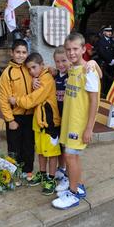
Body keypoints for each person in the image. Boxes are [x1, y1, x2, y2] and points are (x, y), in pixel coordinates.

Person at [52, 33, 100, 209]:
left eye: (75, 49)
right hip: (70, 121)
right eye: (68, 49)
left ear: (83, 49)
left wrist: (89, 128)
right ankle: (78, 186)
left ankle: (72, 194)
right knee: (73, 157)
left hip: (79, 124)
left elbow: (95, 101)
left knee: (70, 157)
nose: (71, 53)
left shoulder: (89, 70)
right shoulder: (73, 68)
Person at [8, 52, 61, 195]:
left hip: (49, 124)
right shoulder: (39, 78)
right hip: (39, 122)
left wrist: (16, 100)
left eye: (34, 67)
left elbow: (33, 99)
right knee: (41, 152)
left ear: (42, 65)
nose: (31, 71)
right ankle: (43, 174)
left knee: (51, 153)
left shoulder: (47, 78)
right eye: (29, 69)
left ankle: (51, 178)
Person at [0, 39, 34, 180]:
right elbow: (4, 100)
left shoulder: (29, 68)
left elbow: (42, 72)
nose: (21, 55)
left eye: (24, 52)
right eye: (18, 52)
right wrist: (10, 119)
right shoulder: (7, 74)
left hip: (30, 116)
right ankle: (16, 172)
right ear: (12, 53)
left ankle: (28, 170)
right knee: (14, 147)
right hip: (15, 117)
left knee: (29, 145)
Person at [52, 46, 70, 181]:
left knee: (68, 148)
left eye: (64, 61)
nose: (60, 64)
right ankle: (61, 167)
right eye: (57, 62)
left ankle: (69, 175)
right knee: (59, 145)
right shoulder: (54, 76)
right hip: (57, 117)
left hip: (68, 118)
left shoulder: (72, 76)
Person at [95, 25, 114, 97]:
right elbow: (101, 53)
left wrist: (113, 60)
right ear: (104, 32)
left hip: (112, 64)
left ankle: (109, 94)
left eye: (110, 31)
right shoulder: (100, 41)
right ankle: (103, 94)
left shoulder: (112, 41)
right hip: (104, 64)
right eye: (108, 31)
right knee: (104, 80)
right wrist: (109, 60)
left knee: (111, 80)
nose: (110, 33)